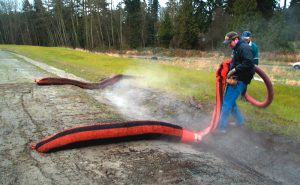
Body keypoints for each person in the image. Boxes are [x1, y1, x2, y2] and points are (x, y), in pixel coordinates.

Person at [217, 31, 255, 133]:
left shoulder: (244, 48)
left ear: (236, 39)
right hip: (235, 78)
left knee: (226, 103)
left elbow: (249, 62)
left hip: (240, 79)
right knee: (231, 101)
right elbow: (237, 61)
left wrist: (234, 70)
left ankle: (221, 129)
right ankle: (240, 121)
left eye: (230, 43)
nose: (229, 45)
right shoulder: (237, 48)